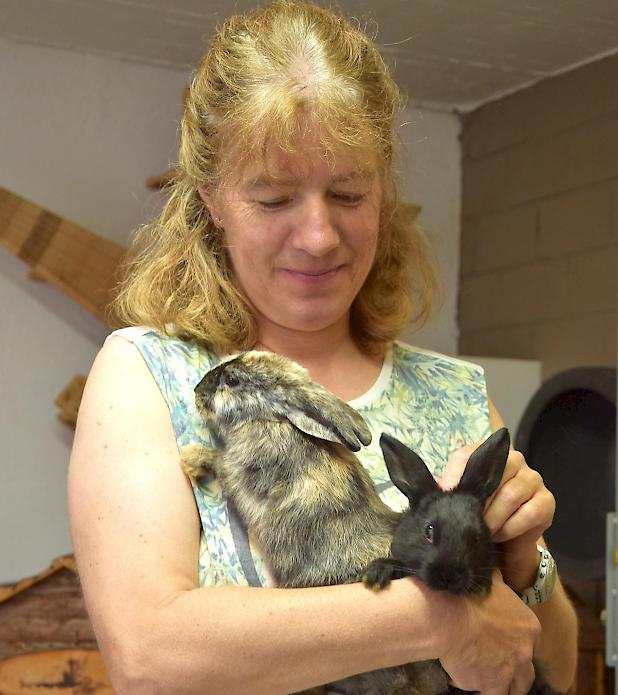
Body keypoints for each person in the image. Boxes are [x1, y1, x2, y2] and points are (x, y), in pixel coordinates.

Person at [67, 2, 578, 693]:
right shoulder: (148, 377)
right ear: (213, 198)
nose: (318, 236)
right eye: (274, 199)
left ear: (385, 192)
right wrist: (444, 618)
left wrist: (521, 566)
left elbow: (554, 667)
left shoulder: (454, 393)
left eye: (347, 192)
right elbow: (152, 657)